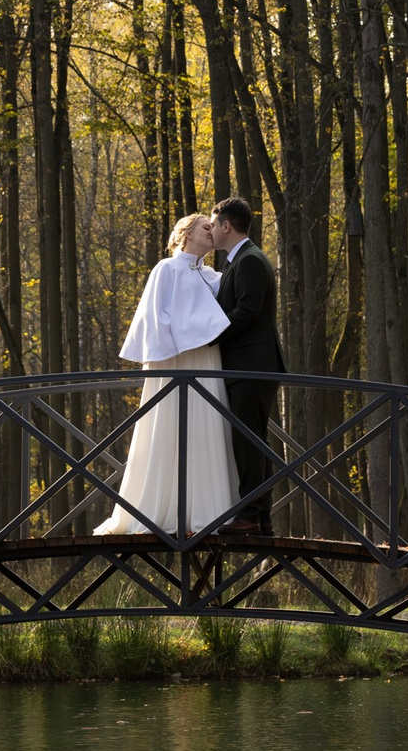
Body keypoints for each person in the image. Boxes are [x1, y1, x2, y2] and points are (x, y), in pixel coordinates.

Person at [97, 214, 240, 535]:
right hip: (176, 364)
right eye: (206, 227)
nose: (212, 232)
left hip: (206, 361)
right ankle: (155, 511)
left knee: (206, 427)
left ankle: (207, 511)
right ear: (187, 234)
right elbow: (155, 321)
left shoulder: (214, 277)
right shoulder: (166, 269)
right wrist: (181, 342)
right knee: (168, 426)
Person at [208, 196, 285, 532]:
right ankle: (261, 517)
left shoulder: (250, 260)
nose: (210, 231)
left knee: (248, 439)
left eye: (212, 225)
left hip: (252, 365)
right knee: (251, 438)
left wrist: (207, 337)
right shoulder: (238, 261)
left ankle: (250, 515)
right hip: (249, 365)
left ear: (227, 225)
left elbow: (247, 311)